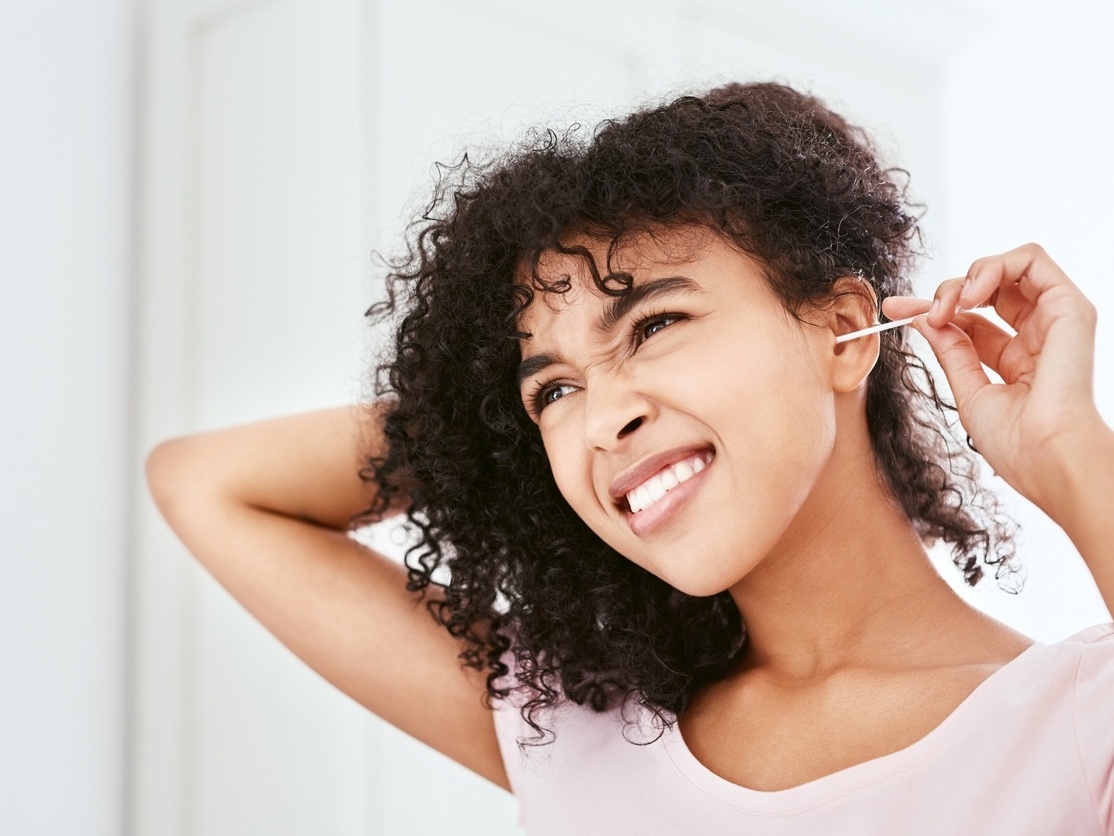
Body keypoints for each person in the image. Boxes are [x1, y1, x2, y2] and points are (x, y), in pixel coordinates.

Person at [146, 82, 1114, 833]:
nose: (601, 418)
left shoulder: (1074, 726)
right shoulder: (580, 723)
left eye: (653, 325)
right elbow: (207, 486)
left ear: (847, 330)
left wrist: (1068, 448)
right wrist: (472, 424)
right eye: (553, 389)